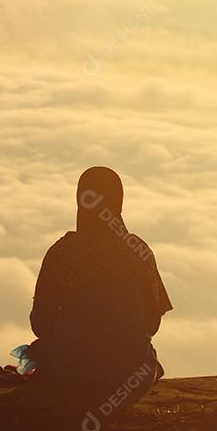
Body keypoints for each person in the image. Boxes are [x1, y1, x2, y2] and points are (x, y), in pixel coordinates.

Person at [27, 166, 173, 389]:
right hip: (131, 372)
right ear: (119, 201)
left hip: (69, 369)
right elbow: (152, 324)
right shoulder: (137, 251)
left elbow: (40, 325)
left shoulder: (61, 253)